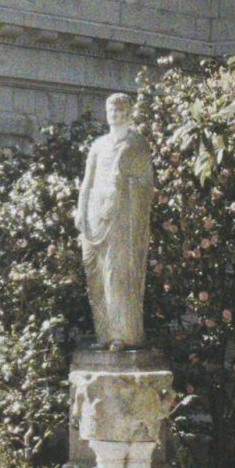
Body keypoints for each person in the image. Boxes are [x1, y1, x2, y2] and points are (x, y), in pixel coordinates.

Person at [76, 92, 154, 351]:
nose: (115, 114)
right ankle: (104, 334)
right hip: (95, 217)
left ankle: (124, 335)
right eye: (111, 109)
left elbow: (146, 184)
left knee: (118, 276)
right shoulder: (98, 145)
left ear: (129, 113)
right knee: (95, 276)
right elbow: (88, 182)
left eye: (120, 109)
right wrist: (81, 211)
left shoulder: (137, 144)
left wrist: (127, 184)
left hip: (122, 219)